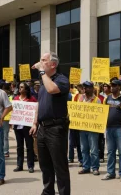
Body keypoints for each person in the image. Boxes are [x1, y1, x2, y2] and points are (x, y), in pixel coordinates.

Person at [30, 52, 71, 195]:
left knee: (59, 166)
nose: (40, 62)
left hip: (56, 128)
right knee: (45, 165)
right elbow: (40, 104)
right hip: (42, 128)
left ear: (53, 64)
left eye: (44, 60)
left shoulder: (61, 79)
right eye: (40, 60)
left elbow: (52, 89)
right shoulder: (43, 81)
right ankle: (48, 192)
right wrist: (35, 123)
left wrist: (41, 71)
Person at [102, 79, 121, 182]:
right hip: (109, 128)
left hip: (119, 128)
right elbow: (102, 112)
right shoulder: (107, 98)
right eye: (111, 85)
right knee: (110, 152)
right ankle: (110, 172)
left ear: (119, 87)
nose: (111, 87)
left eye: (114, 85)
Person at [77, 81, 102, 175]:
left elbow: (99, 114)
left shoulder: (97, 100)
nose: (85, 89)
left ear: (92, 89)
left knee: (94, 149)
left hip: (93, 129)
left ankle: (95, 168)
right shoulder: (80, 98)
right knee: (84, 149)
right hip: (82, 128)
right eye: (84, 87)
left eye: (87, 87)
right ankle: (86, 167)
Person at [13, 82, 37, 173]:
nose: (20, 88)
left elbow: (36, 112)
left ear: (26, 89)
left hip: (28, 126)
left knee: (29, 146)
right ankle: (19, 165)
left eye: (22, 87)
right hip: (17, 126)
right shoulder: (15, 99)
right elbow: (14, 111)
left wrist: (35, 124)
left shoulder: (32, 99)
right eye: (19, 87)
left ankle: (30, 165)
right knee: (19, 146)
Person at [69, 84, 84, 167]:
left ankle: (81, 159)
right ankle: (70, 157)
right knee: (71, 141)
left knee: (79, 142)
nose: (79, 89)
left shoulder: (85, 97)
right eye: (78, 88)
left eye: (80, 88)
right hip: (74, 121)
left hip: (82, 123)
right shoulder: (74, 96)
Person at [1, 83, 12, 157]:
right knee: (1, 136)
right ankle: (3, 151)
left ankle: (5, 151)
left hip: (6, 119)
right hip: (0, 118)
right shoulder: (0, 97)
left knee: (5, 136)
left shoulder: (10, 97)